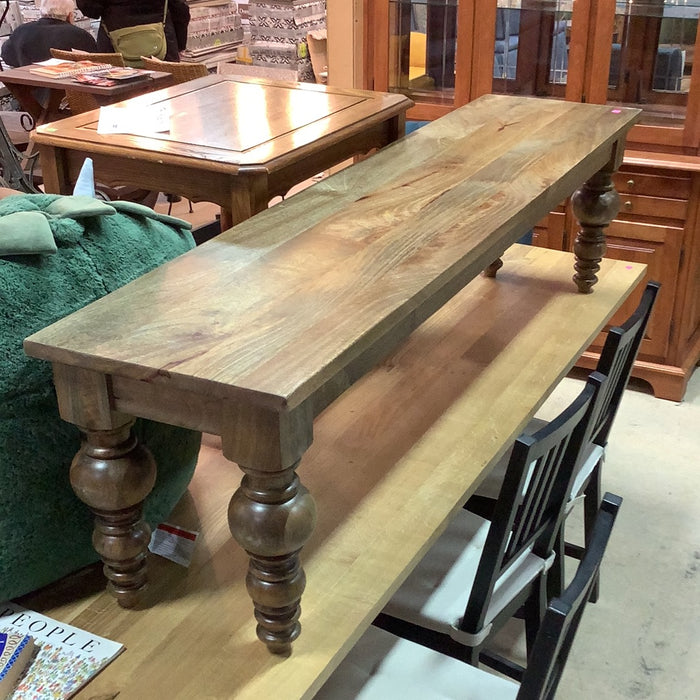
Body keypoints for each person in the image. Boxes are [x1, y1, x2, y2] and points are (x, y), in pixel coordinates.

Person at [76, 0, 190, 62]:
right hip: (164, 46)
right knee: (169, 93)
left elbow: (90, 8)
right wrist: (180, 45)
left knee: (118, 96)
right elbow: (180, 9)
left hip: (114, 46)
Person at [1, 0, 98, 67]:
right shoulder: (80, 35)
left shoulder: (21, 31)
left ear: (41, 12)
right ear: (70, 16)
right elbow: (97, 64)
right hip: (66, 89)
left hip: (28, 88)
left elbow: (7, 57)